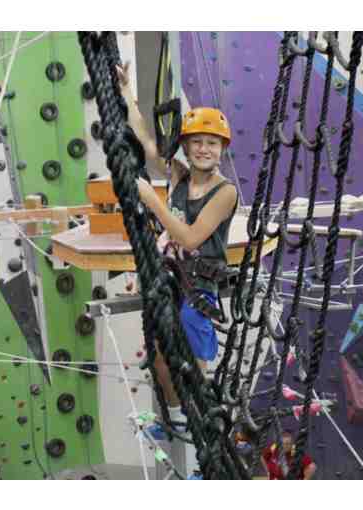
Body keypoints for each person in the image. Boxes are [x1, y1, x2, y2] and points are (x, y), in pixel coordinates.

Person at [116, 63, 239, 433]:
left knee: (192, 355)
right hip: (170, 275)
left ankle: (202, 423)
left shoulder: (225, 192)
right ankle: (180, 417)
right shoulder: (180, 176)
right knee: (159, 357)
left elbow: (188, 238)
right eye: (197, 142)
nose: (203, 149)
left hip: (199, 285)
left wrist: (153, 202)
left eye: (212, 143)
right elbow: (148, 144)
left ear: (221, 150)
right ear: (185, 145)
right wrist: (126, 94)